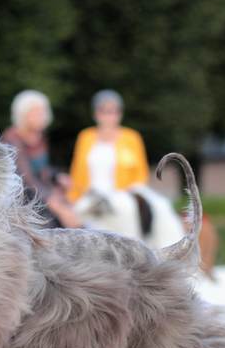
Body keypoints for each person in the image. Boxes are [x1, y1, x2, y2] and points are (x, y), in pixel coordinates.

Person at [68, 90, 186, 249]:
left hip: (122, 194)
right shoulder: (86, 137)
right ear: (96, 114)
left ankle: (160, 251)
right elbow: (77, 173)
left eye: (114, 111)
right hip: (92, 195)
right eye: (105, 111)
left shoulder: (131, 138)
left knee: (157, 207)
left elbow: (140, 174)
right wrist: (72, 199)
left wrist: (128, 192)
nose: (109, 116)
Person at [1, 90, 81, 228]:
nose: (41, 117)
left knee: (78, 217)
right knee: (56, 222)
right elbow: (26, 178)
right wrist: (55, 203)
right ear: (22, 115)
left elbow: (42, 169)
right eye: (35, 113)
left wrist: (57, 176)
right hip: (21, 199)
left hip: (41, 193)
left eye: (43, 112)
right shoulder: (12, 139)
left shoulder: (39, 137)